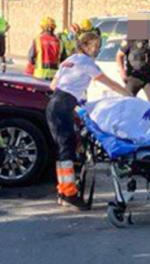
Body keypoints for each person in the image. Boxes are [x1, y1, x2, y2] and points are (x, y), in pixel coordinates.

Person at [47, 32, 130, 210]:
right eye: (95, 45)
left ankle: (63, 191)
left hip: (54, 105)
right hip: (63, 107)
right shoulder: (86, 62)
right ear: (84, 46)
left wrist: (75, 96)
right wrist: (127, 94)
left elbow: (53, 85)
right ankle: (69, 194)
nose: (98, 48)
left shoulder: (68, 60)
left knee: (63, 149)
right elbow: (106, 82)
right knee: (66, 149)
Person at [117, 32, 150, 103]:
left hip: (148, 77)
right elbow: (119, 55)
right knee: (127, 102)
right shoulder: (130, 39)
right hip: (133, 77)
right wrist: (122, 72)